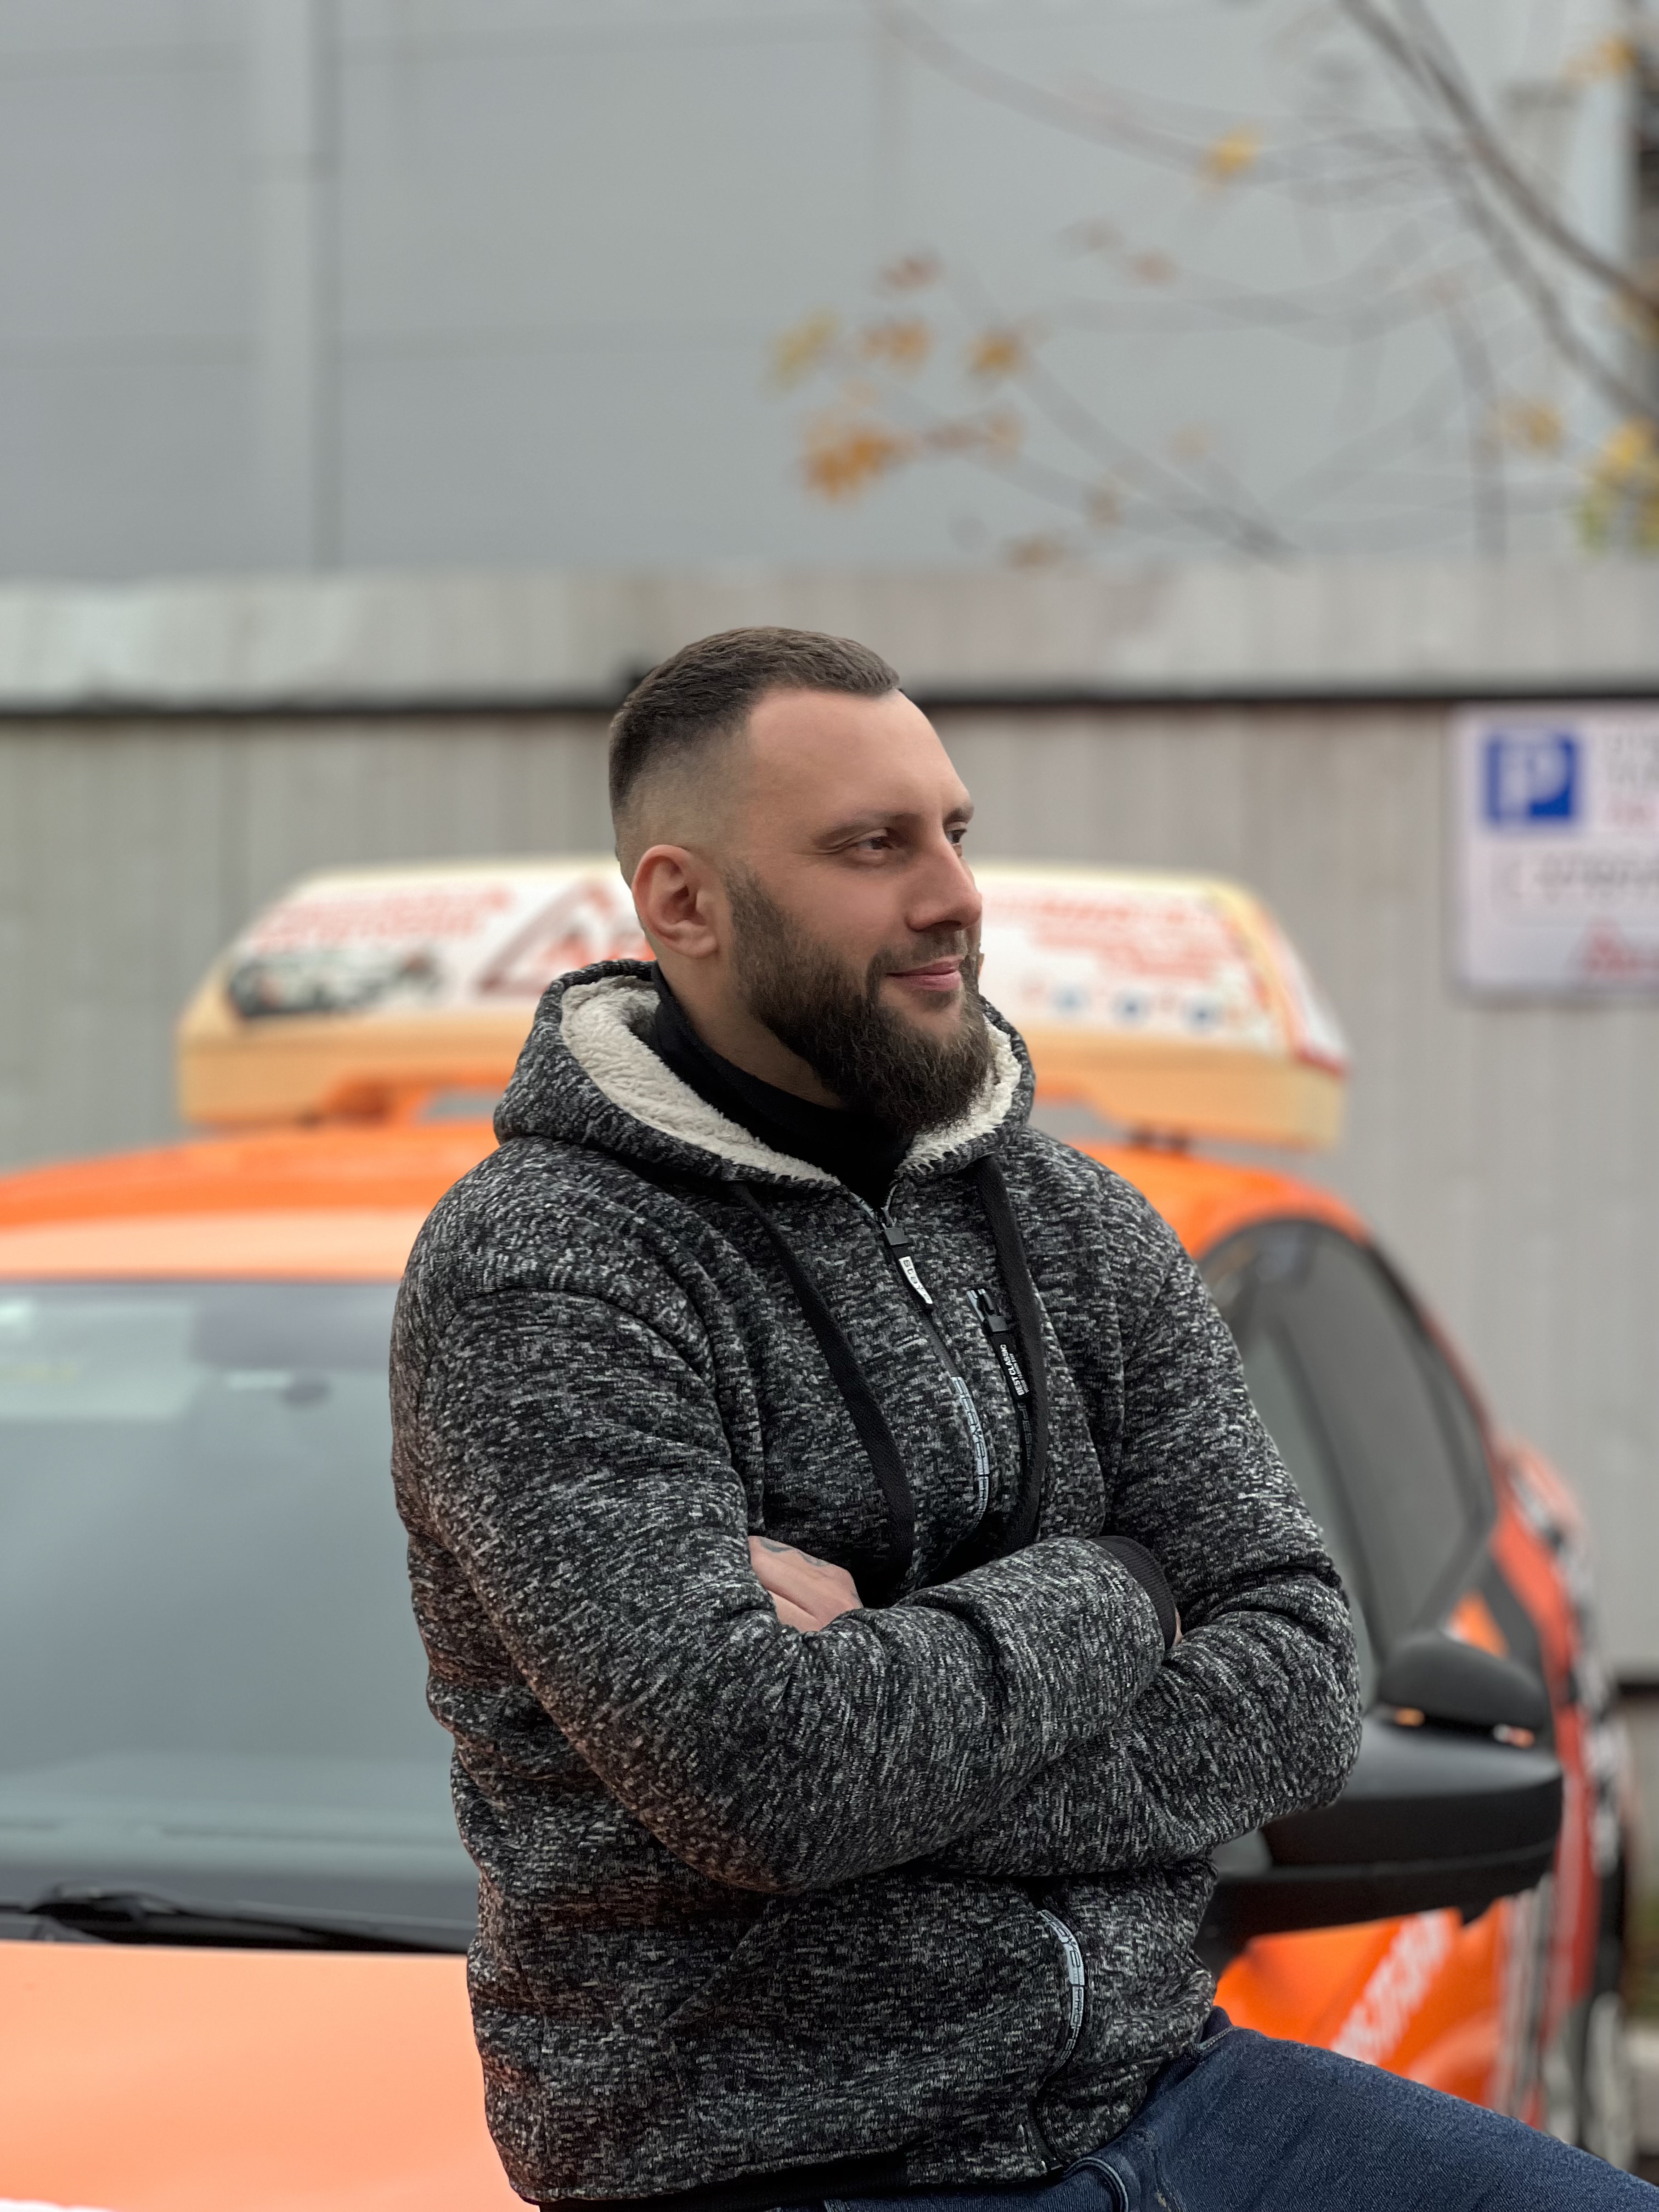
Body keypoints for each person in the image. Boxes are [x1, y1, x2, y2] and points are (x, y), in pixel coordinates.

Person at [390, 627, 1656, 2212]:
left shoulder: (1078, 1226)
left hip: (1167, 2089)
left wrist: (882, 1714)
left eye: (953, 831)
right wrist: (1126, 1586)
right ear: (683, 902)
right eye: (873, 846)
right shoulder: (546, 1266)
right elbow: (762, 1779)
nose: (954, 893)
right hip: (793, 2165)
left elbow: (1299, 1676)